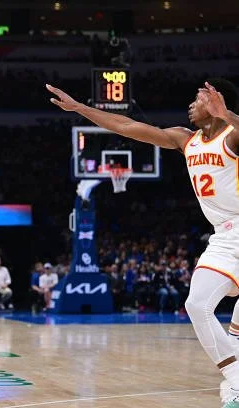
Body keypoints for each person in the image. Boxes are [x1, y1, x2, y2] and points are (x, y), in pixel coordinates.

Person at [47, 78, 239, 407]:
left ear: (216, 101)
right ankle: (235, 378)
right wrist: (79, 108)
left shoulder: (232, 135)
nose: (191, 104)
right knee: (197, 305)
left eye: (198, 98)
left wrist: (229, 115)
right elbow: (127, 126)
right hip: (224, 236)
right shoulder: (185, 139)